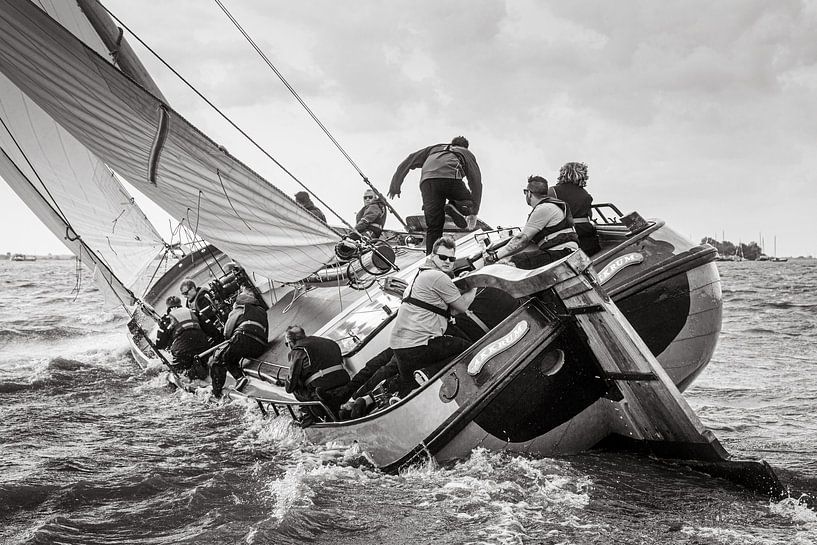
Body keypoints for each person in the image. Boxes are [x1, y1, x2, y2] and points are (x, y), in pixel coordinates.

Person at [388, 236, 477, 397]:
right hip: (419, 345)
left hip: (399, 346)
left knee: (409, 387)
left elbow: (437, 301)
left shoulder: (420, 275)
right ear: (432, 256)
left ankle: (387, 397)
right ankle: (429, 374)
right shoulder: (438, 276)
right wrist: (474, 286)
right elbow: (461, 308)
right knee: (467, 348)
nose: (447, 261)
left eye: (451, 258)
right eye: (442, 257)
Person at [388, 136, 482, 254]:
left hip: (427, 184)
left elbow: (410, 159)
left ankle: (431, 258)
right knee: (468, 202)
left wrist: (395, 185)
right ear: (465, 147)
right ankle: (454, 205)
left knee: (434, 227)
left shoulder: (434, 149)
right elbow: (475, 181)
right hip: (450, 179)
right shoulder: (465, 152)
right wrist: (473, 211)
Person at [484, 175, 579, 269]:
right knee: (519, 259)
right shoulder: (550, 207)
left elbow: (521, 239)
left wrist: (494, 257)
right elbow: (525, 244)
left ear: (529, 193)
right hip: (563, 251)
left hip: (561, 252)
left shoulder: (543, 208)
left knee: (509, 264)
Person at [284, 325, 351, 424]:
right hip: (345, 382)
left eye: (287, 344)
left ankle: (312, 416)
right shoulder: (329, 342)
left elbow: (290, 387)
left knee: (296, 388)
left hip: (322, 389)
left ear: (291, 342)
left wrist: (288, 380)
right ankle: (345, 409)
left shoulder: (298, 351)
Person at [210, 289, 268, 398]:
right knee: (233, 354)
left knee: (220, 360)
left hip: (243, 339)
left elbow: (227, 333)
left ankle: (220, 390)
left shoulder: (238, 309)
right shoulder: (261, 310)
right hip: (260, 346)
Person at [548, 162, 601, 255]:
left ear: (563, 173)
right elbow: (589, 216)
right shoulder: (586, 194)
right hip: (588, 239)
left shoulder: (553, 191)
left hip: (567, 237)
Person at [155, 295, 210, 381]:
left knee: (168, 369)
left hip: (183, 353)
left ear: (168, 308)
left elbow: (160, 345)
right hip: (204, 349)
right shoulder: (194, 312)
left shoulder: (166, 319)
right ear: (180, 304)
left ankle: (188, 374)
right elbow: (212, 331)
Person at [179, 278, 223, 344]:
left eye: (186, 293)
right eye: (183, 294)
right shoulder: (188, 303)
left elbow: (210, 315)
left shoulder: (202, 297)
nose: (185, 296)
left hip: (216, 327)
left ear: (193, 288)